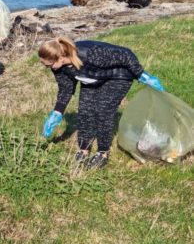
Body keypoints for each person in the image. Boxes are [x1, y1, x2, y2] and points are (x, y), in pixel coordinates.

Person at [38, 37, 165, 168]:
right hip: (92, 79)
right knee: (85, 111)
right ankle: (84, 149)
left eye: (49, 65)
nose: (48, 68)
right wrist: (57, 112)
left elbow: (126, 55)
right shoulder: (58, 68)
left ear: (60, 57)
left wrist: (141, 75)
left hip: (117, 76)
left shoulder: (90, 53)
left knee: (103, 111)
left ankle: (102, 153)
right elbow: (66, 89)